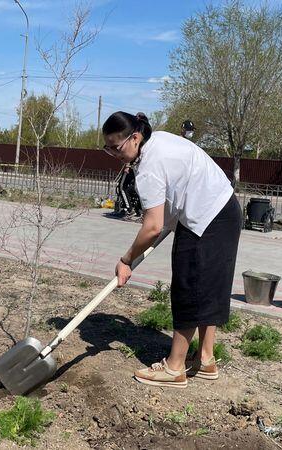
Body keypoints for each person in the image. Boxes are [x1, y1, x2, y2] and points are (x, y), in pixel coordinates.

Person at [102, 111, 241, 388]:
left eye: (116, 148)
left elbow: (152, 226)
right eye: (108, 148)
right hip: (225, 211)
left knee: (190, 287)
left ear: (135, 137)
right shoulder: (160, 140)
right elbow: (169, 204)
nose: (113, 154)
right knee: (207, 286)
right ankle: (205, 359)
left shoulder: (149, 166)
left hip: (206, 217)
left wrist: (126, 259)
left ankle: (174, 368)